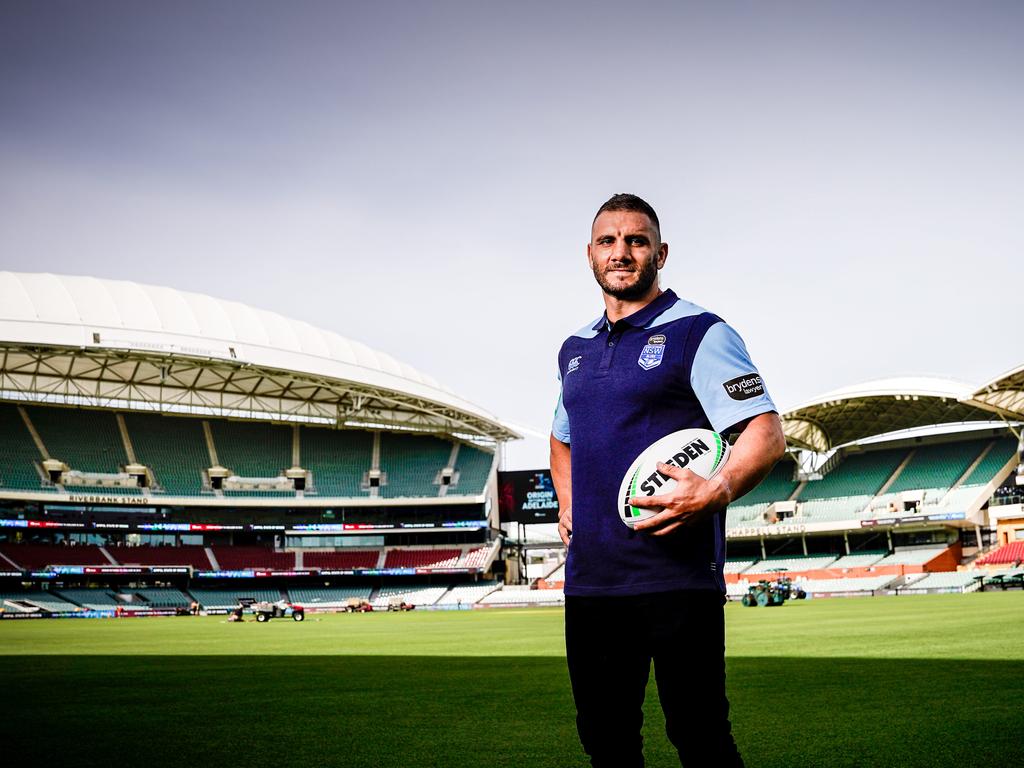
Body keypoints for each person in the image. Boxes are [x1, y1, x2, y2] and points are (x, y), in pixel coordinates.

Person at [549, 194, 786, 768]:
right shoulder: (573, 350)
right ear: (589, 255)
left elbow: (766, 432)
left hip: (677, 580)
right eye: (608, 241)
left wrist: (716, 489)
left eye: (636, 240)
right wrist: (568, 503)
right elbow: (562, 437)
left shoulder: (700, 333)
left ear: (660, 252)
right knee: (605, 744)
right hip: (592, 585)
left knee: (701, 739)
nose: (622, 252)